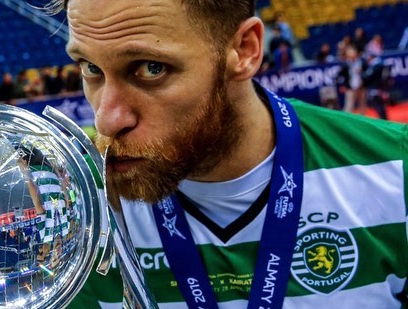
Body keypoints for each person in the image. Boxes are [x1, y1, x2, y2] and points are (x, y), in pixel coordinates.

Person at [45, 0, 408, 308]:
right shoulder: (71, 211)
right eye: (90, 67)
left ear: (245, 50)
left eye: (151, 68)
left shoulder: (396, 169)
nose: (106, 120)